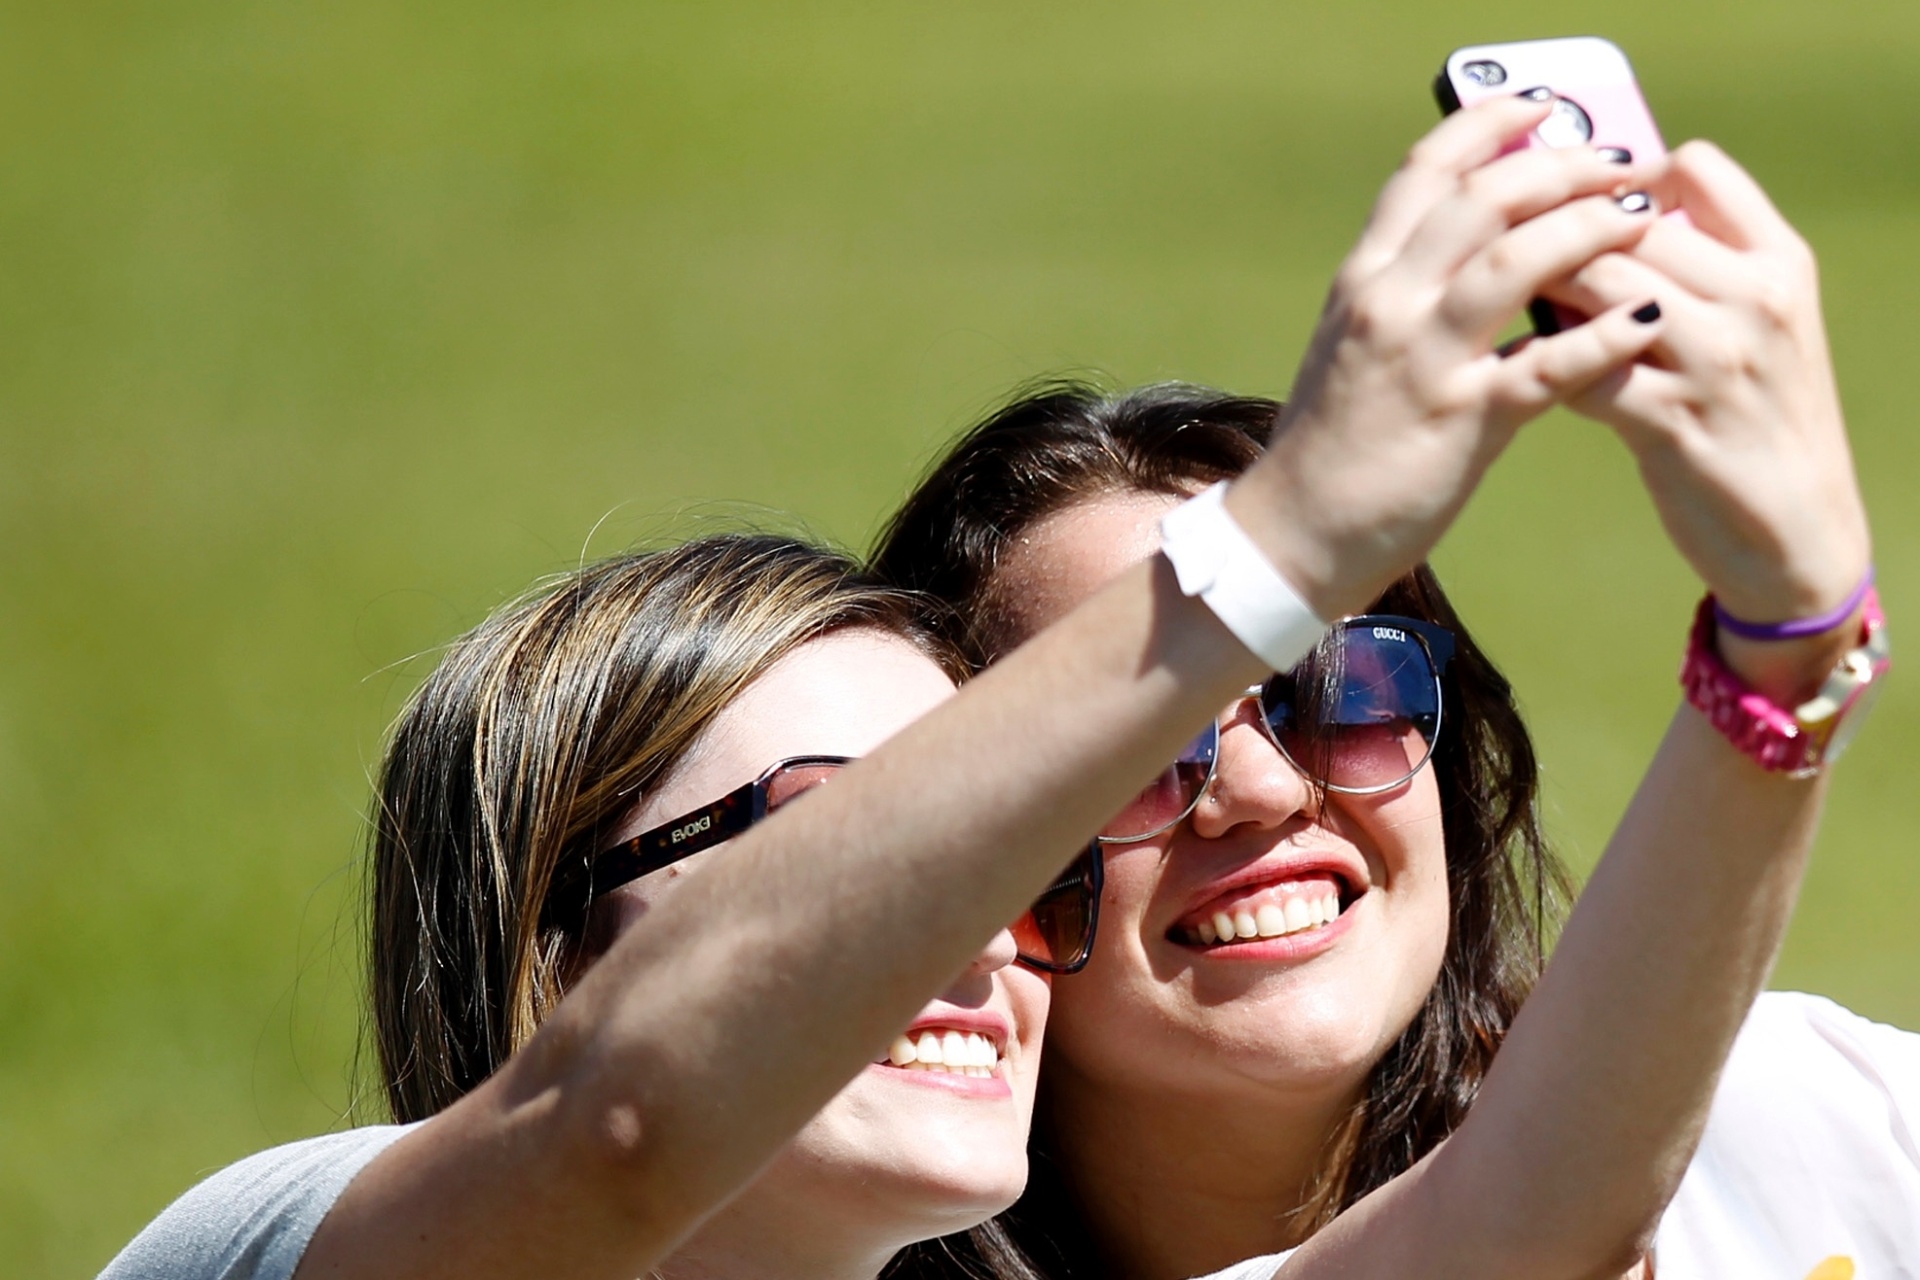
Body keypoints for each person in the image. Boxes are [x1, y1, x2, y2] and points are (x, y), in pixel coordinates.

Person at [100, 97, 1870, 1280]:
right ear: (550, 940)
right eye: (879, 837)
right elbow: (620, 1125)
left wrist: (1793, 636)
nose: (982, 927)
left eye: (1021, 858)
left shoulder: (1812, 1123)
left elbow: (1529, 1212)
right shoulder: (274, 1241)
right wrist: (1279, 548)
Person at [872, 136, 1911, 1279]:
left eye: (1341, 687)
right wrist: (1784, 643)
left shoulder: (1820, 1116)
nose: (1260, 789)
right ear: (964, 857)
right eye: (1137, 740)